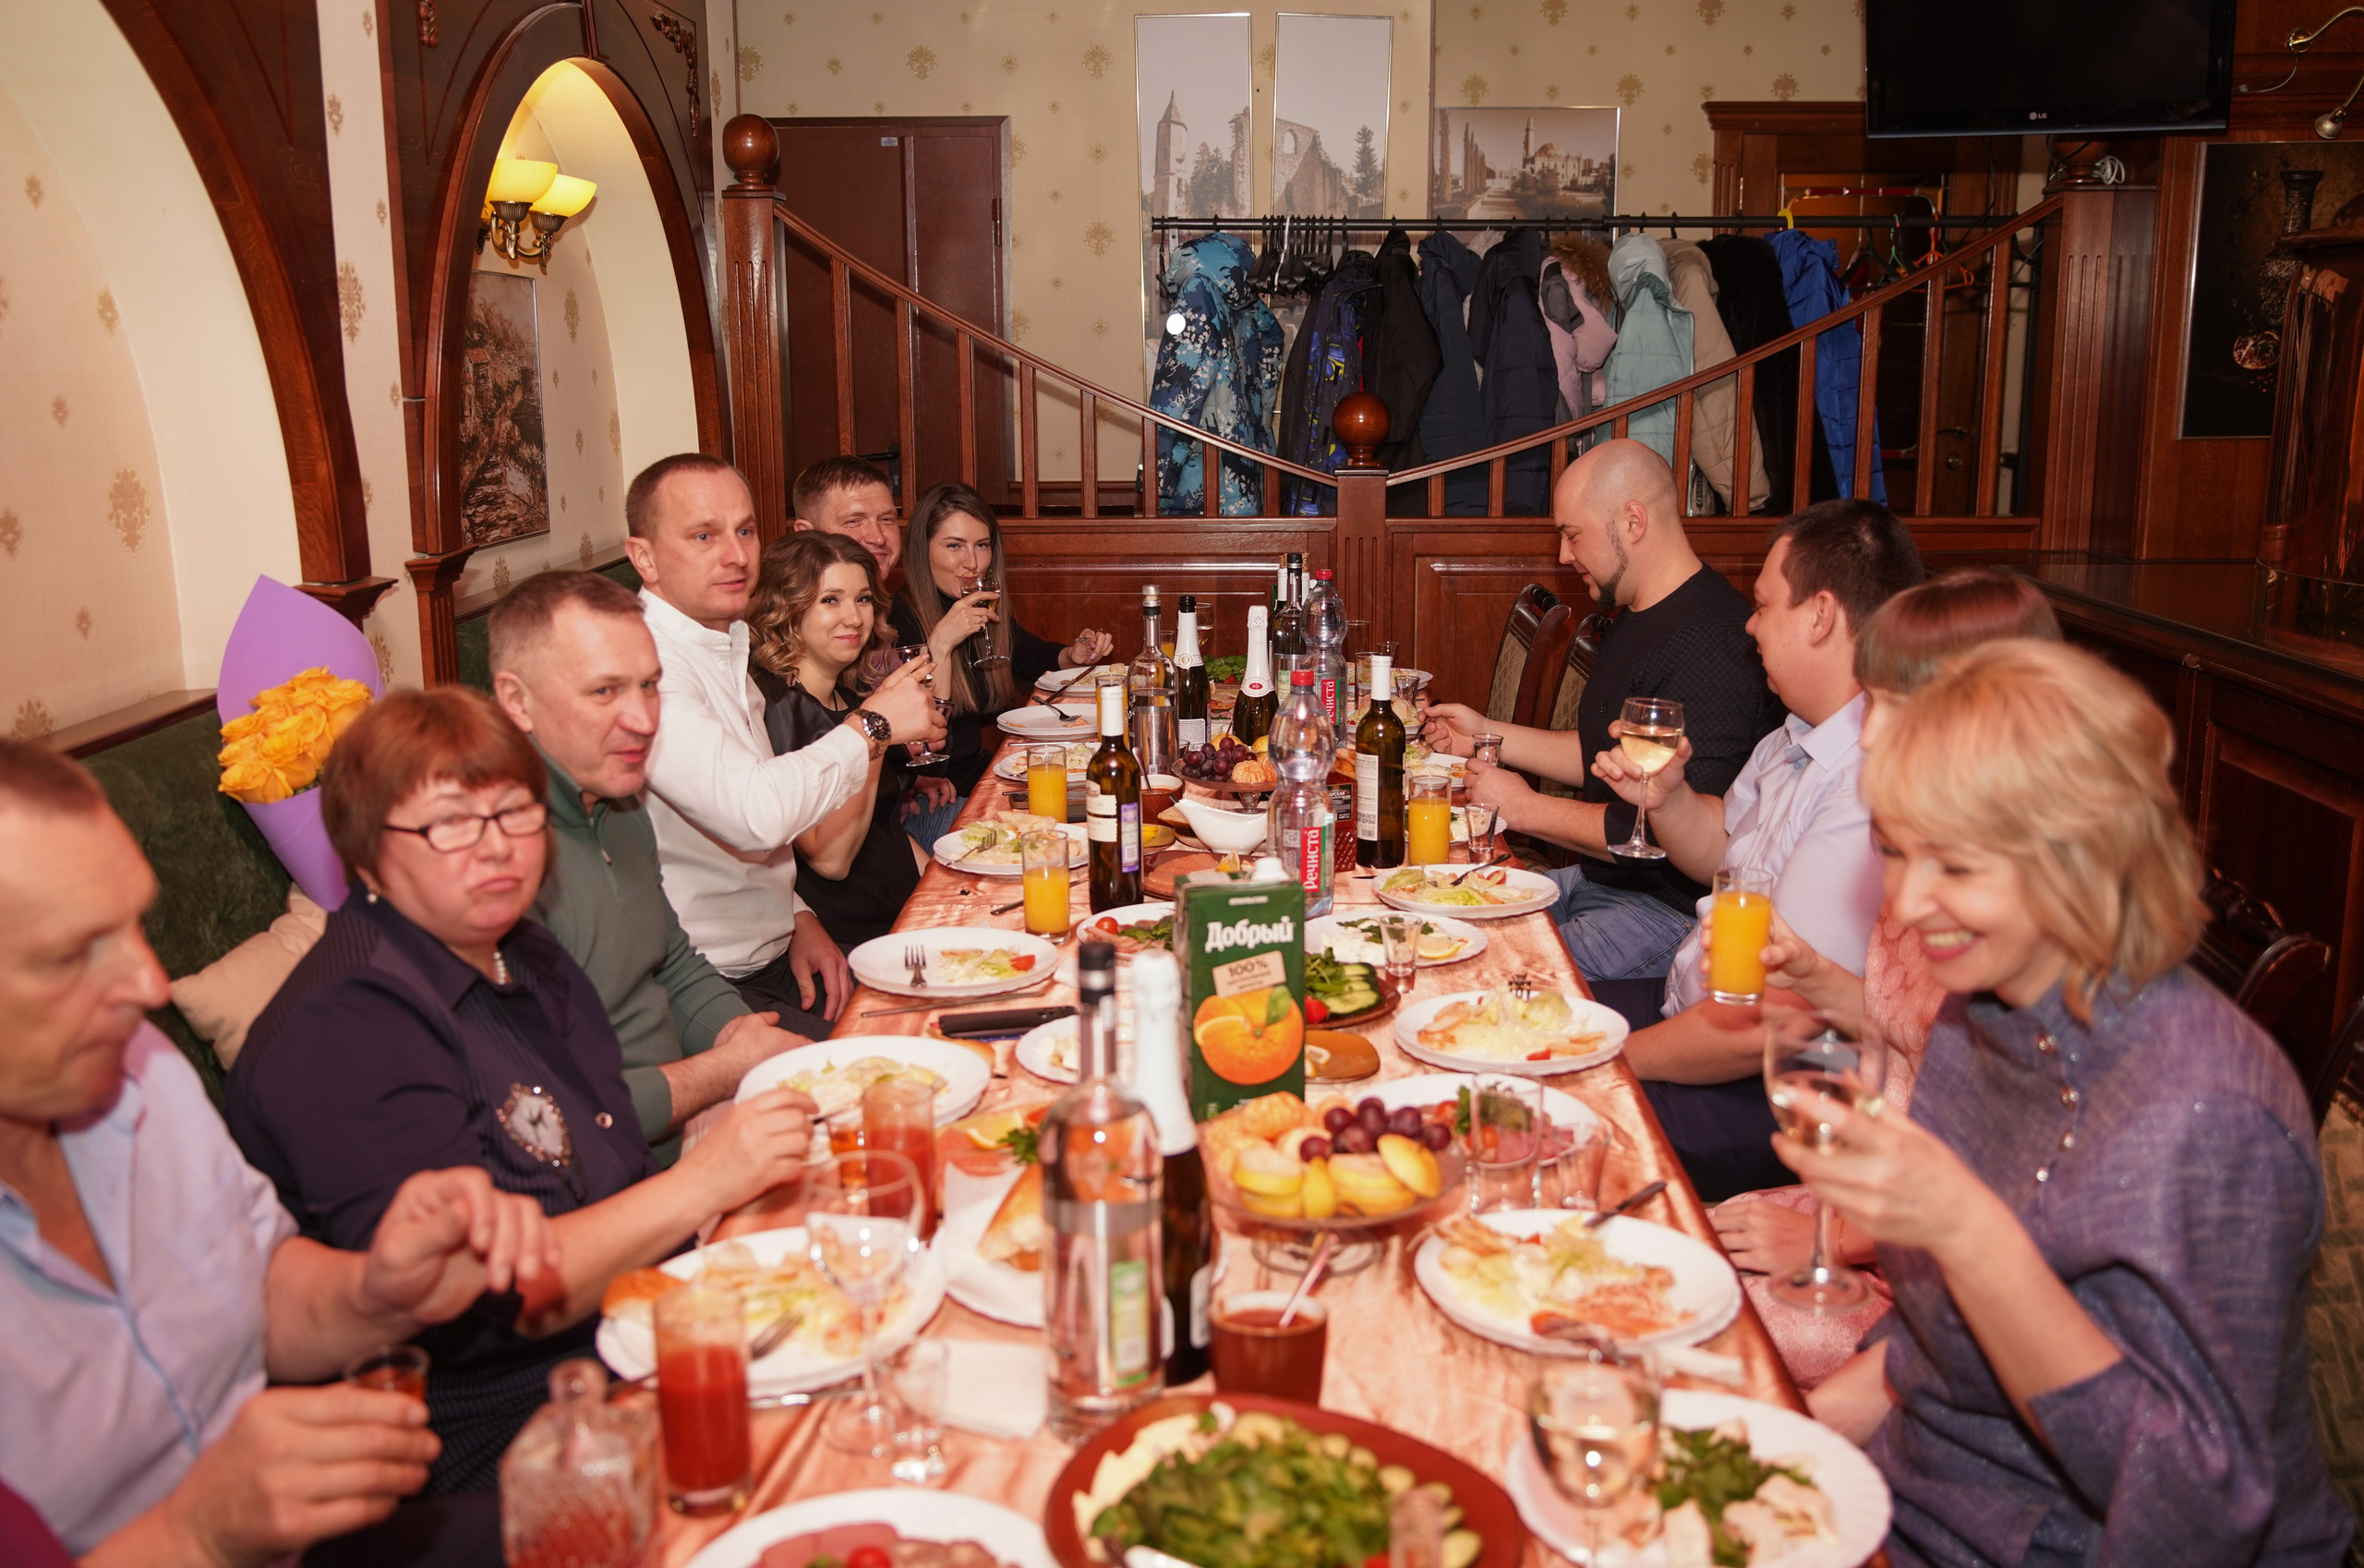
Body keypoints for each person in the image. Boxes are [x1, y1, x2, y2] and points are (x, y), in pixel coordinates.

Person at [1785, 640, 2352, 1566]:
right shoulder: (1989, 1008)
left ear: (2084, 852)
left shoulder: (2207, 1111)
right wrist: (1784, 1432)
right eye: (1894, 849)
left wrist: (1970, 1234)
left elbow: (2197, 1519)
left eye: (1957, 867)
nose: (1910, 901)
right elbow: (1933, 1353)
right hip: (1917, 1505)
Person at [225, 688, 819, 1496]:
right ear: (364, 853)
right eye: (448, 827)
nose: (496, 849)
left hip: (632, 1334)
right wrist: (701, 1184)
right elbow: (484, 1300)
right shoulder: (351, 1027)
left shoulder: (521, 954)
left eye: (515, 814)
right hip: (492, 1450)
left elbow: (601, 1159)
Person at [0, 740, 558, 1567]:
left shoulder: (143, 1079)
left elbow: (262, 1286)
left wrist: (376, 1290)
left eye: (132, 926)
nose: (150, 984)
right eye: (68, 955)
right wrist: (194, 1535)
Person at [1702, 569, 2059, 1387]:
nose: (1864, 733)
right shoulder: (1929, 863)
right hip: (1862, 1207)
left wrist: (1839, 1240)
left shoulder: (2014, 929)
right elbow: (1905, 1029)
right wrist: (1817, 976)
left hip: (1911, 1263)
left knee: (1694, 1330)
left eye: (1890, 704)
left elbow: (2010, 1202)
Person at [1586, 498, 1924, 1201]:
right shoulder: (1793, 731)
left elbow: (1768, 1020)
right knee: (1513, 1007)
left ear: (1821, 614)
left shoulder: (1865, 777)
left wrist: (1596, 1060)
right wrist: (1669, 798)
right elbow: (1723, 847)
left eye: (1765, 604)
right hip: (1689, 1010)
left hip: (1768, 1088)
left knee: (1558, 1119)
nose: (1749, 621)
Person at [1424, 440, 1784, 982]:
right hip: (1598, 884)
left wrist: (1526, 810)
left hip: (1666, 913)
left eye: (1573, 534)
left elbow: (1665, 827)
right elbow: (1599, 753)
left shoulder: (1713, 642)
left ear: (1633, 521)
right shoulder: (1639, 610)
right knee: (1438, 924)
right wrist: (1481, 734)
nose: (1565, 555)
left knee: (1483, 977)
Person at [487, 570, 810, 1167]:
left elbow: (673, 964)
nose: (643, 719)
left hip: (690, 1121)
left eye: (650, 685)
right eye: (605, 692)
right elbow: (553, 1110)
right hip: (607, 1178)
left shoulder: (618, 800)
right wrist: (720, 1075)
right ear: (517, 701)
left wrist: (747, 1039)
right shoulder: (491, 860)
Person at [625, 453, 943, 1028]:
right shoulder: (644, 667)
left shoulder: (729, 649)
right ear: (643, 557)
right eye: (703, 535)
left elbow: (752, 847)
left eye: (744, 530)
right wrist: (874, 727)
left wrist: (798, 917)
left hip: (778, 951)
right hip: (702, 979)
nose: (736, 554)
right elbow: (756, 815)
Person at [890, 482, 1114, 815]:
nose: (973, 563)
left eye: (982, 545)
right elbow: (927, 758)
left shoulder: (976, 606)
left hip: (983, 774)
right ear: (922, 550)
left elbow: (1031, 656)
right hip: (942, 797)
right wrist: (941, 643)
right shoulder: (898, 619)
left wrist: (1073, 655)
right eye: (954, 545)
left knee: (1103, 797)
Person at [748, 531, 924, 949]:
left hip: (904, 912)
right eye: (831, 600)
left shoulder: (844, 696)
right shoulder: (779, 707)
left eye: (863, 599)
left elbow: (887, 830)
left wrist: (946, 889)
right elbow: (831, 861)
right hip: (854, 937)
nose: (855, 618)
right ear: (787, 610)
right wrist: (878, 729)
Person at [789, 453, 903, 585]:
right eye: (853, 522)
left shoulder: (906, 603)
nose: (878, 538)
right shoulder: (780, 603)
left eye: (886, 519)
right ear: (806, 533)